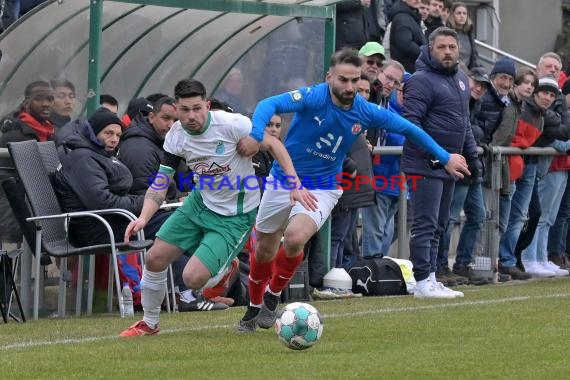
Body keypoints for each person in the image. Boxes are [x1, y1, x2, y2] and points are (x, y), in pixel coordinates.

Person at [235, 47, 469, 332]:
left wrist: (444, 158)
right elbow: (268, 104)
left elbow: (409, 129)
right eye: (343, 80)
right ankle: (254, 307)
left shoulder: (366, 110)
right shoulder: (313, 96)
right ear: (329, 77)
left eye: (355, 80)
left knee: (295, 237)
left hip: (324, 187)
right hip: (282, 179)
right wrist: (257, 133)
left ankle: (273, 297)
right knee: (263, 250)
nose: (350, 87)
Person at [118, 79, 315, 337]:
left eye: (197, 108)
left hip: (235, 215)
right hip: (200, 203)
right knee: (154, 258)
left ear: (207, 106)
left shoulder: (232, 124)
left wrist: (294, 184)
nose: (191, 116)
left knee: (192, 279)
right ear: (176, 109)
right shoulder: (176, 135)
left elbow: (275, 145)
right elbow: (162, 180)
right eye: (185, 110)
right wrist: (143, 218)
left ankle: (224, 271)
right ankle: (150, 323)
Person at [401, 27, 478, 299]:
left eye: (452, 47)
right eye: (442, 47)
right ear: (430, 48)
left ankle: (432, 277)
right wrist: (438, 158)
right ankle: (421, 280)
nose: (448, 51)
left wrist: (472, 156)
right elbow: (411, 124)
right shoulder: (420, 80)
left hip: (451, 163)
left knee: (440, 224)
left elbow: (464, 122)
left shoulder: (461, 78)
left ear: (459, 50)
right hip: (426, 164)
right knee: (425, 223)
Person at [436, 67, 491, 286]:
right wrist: (477, 135)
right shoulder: (456, 101)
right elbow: (467, 130)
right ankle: (440, 266)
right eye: (475, 82)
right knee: (448, 219)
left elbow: (477, 132)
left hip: (472, 169)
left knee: (478, 215)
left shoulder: (477, 105)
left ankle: (462, 264)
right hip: (457, 168)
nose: (478, 88)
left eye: (483, 85)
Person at [387, 0, 427, 73]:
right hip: (406, 71)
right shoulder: (402, 18)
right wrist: (425, 53)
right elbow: (405, 44)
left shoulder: (411, 17)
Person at [446, 2, 478, 69]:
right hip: (452, 70)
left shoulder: (469, 32)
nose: (462, 16)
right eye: (458, 13)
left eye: (464, 13)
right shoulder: (447, 32)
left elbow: (474, 55)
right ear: (452, 15)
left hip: (468, 71)